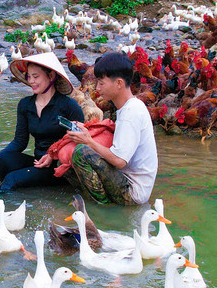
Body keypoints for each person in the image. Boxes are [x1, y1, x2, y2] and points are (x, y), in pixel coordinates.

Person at [0, 52, 84, 192]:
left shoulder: (69, 106)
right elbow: (19, 141)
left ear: (51, 76)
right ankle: (17, 190)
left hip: (60, 167)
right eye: (29, 76)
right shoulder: (25, 104)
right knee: (2, 160)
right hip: (37, 162)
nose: (31, 81)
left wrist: (54, 154)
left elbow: (79, 143)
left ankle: (0, 201)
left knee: (12, 179)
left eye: (36, 76)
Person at [65, 51, 157, 205]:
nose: (97, 88)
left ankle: (103, 209)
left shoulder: (131, 112)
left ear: (119, 83)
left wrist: (89, 141)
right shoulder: (129, 107)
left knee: (81, 153)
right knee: (67, 167)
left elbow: (120, 161)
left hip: (133, 191)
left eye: (101, 83)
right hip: (124, 178)